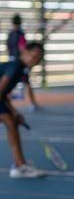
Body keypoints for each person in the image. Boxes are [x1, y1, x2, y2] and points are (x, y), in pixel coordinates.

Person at [0, 42, 46, 178]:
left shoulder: (19, 68)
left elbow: (3, 95)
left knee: (11, 123)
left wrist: (14, 112)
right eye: (33, 56)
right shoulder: (15, 68)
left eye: (38, 59)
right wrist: (13, 113)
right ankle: (20, 166)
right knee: (10, 122)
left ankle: (20, 165)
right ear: (24, 52)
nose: (35, 61)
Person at [5, 14, 39, 110]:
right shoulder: (21, 34)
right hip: (19, 63)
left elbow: (7, 48)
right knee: (27, 82)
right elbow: (22, 48)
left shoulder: (10, 34)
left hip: (11, 60)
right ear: (20, 23)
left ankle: (7, 104)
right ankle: (33, 104)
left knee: (8, 83)